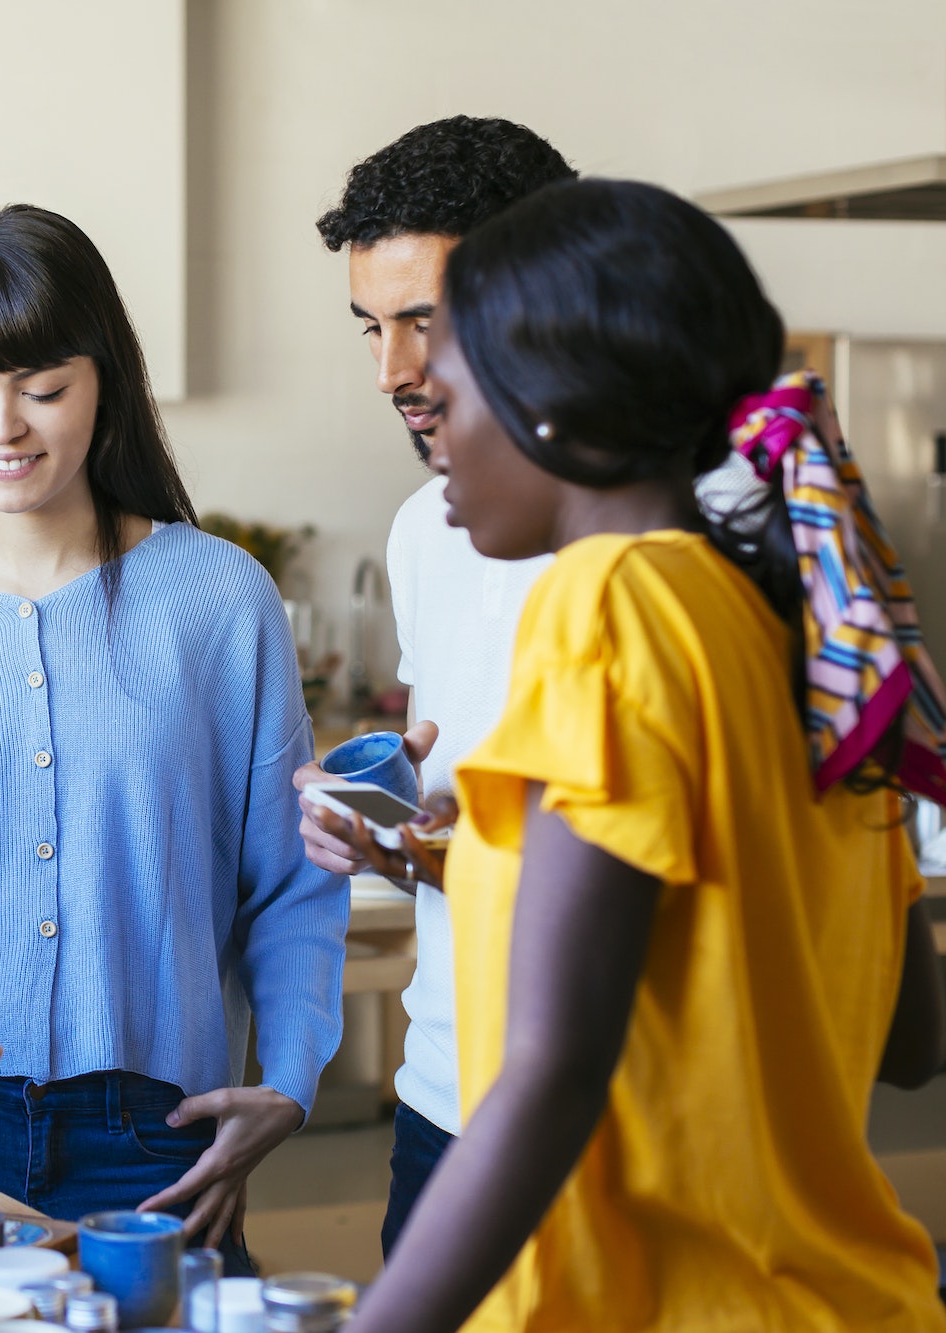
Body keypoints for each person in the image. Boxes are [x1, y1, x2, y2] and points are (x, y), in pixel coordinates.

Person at [346, 178, 946, 1332]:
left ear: (553, 415)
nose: (431, 421)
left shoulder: (609, 598)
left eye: (453, 388)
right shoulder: (797, 630)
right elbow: (911, 1040)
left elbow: (553, 1066)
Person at [0, 204, 348, 1275]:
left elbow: (286, 880)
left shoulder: (217, 599)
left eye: (41, 389)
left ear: (103, 381)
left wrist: (285, 1080)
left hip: (156, 1137)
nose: (0, 427)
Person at [296, 117, 577, 1259]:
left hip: (618, 1107)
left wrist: (467, 853)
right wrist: (385, 824)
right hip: (445, 1093)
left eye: (423, 321)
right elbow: (457, 785)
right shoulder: (427, 529)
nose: (390, 372)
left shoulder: (691, 536)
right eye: (369, 326)